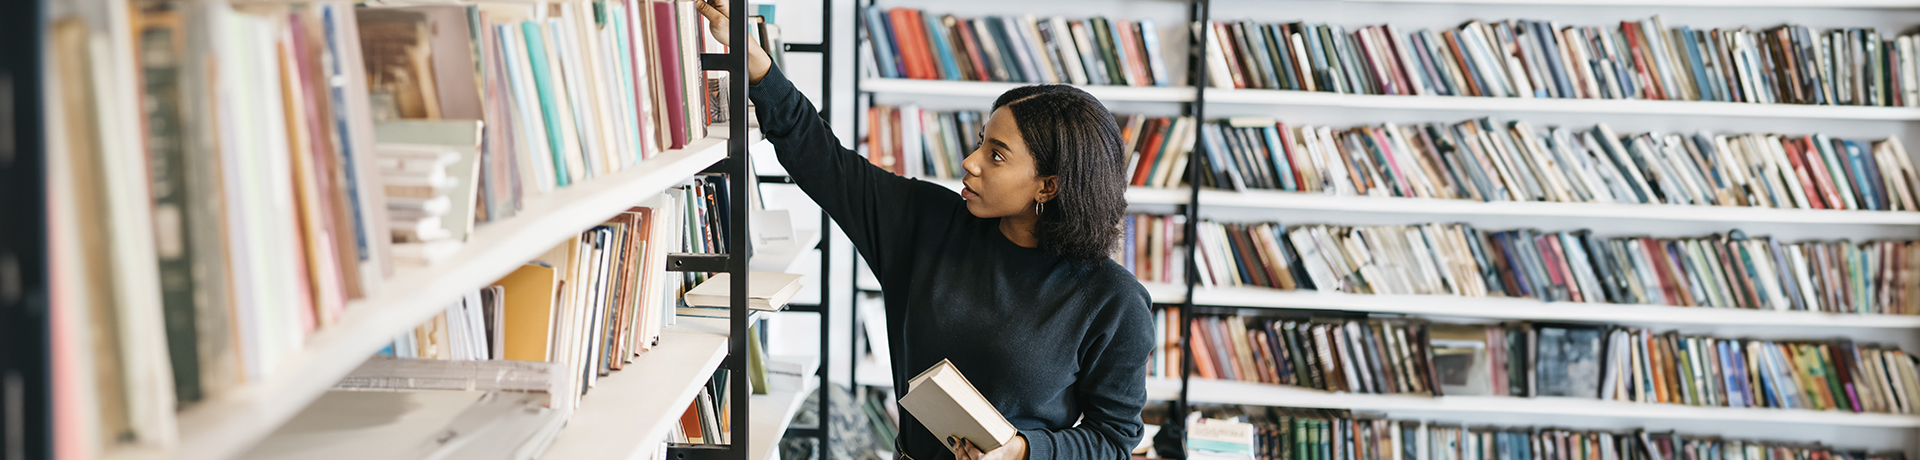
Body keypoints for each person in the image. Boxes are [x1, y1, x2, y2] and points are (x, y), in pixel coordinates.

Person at [696, 2, 1153, 460]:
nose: (970, 163)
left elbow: (1112, 440)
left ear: (1048, 186)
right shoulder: (927, 222)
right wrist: (758, 68)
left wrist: (1021, 450)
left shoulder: (1113, 300)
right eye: (980, 143)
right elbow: (826, 163)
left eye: (996, 155)